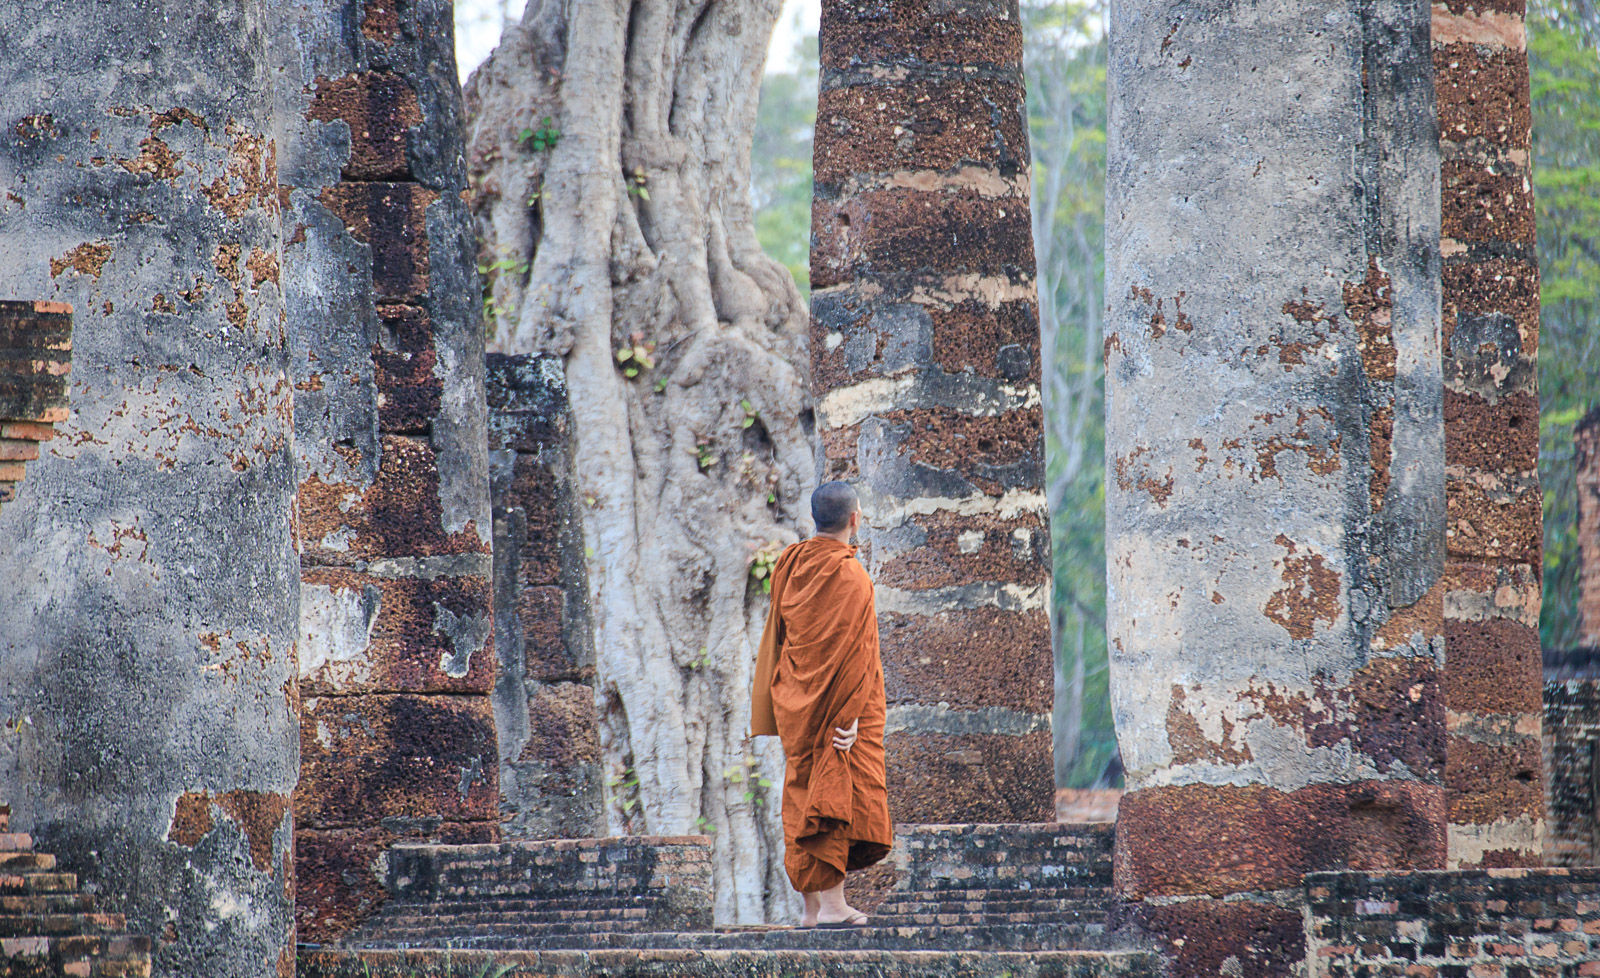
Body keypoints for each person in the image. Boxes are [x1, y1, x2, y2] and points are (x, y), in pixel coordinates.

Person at [749, 481, 892, 928]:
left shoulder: (790, 564)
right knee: (831, 794)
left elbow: (787, 638)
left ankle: (811, 908)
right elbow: (855, 655)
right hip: (836, 714)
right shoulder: (852, 577)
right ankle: (832, 907)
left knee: (801, 793)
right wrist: (848, 718)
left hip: (794, 701)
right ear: (855, 519)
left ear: (816, 519)